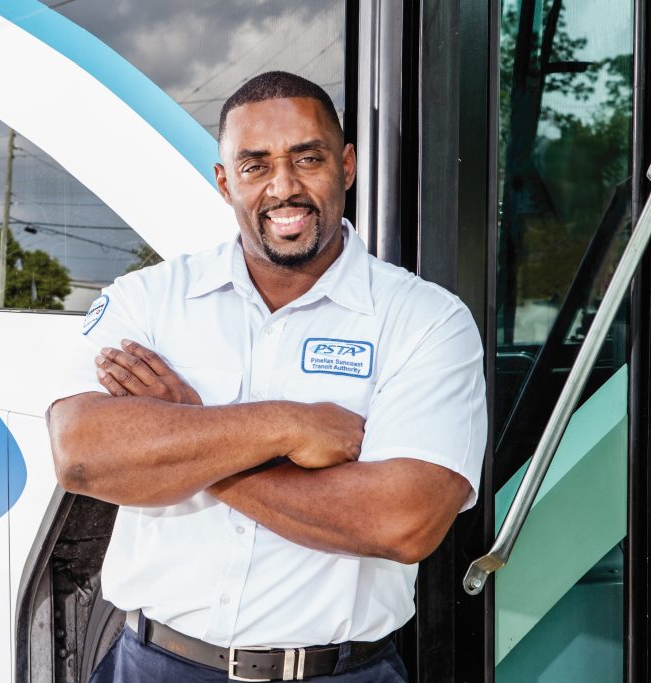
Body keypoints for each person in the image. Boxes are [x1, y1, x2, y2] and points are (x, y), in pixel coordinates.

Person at [46, 71, 486, 682]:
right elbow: (83, 455)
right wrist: (288, 425)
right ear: (225, 182)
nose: (284, 187)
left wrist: (187, 434)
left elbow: (404, 522)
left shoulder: (427, 320)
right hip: (154, 665)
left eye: (308, 159)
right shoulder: (148, 299)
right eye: (255, 166)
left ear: (347, 166)